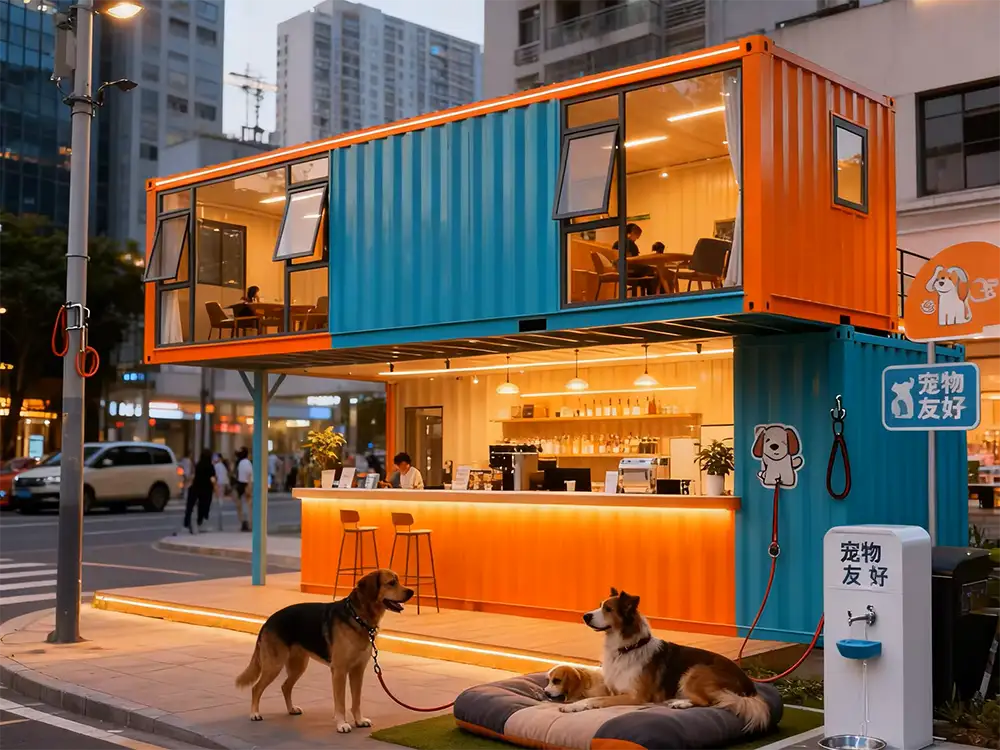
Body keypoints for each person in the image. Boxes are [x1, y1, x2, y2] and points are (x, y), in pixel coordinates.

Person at [612, 223, 657, 295]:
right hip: (629, 270)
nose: (636, 239)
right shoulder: (630, 243)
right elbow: (635, 260)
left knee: (647, 272)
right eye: (637, 237)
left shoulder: (616, 243)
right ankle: (652, 295)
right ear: (632, 233)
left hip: (619, 270)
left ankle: (642, 291)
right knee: (653, 271)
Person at [184, 449, 215, 534]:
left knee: (191, 506)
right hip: (206, 488)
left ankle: (187, 522)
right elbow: (212, 478)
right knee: (204, 506)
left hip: (196, 486)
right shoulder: (210, 466)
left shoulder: (198, 465)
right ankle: (200, 522)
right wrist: (215, 485)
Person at [234, 447, 253, 532]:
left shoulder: (239, 463)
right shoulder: (247, 462)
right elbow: (249, 475)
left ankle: (243, 522)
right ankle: (248, 523)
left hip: (240, 484)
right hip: (246, 484)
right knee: (248, 506)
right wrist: (250, 486)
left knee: (240, 506)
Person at [212, 453, 229, 530]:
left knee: (219, 500)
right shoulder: (222, 466)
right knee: (220, 499)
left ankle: (219, 523)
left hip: (219, 484)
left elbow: (215, 476)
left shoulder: (217, 466)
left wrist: (214, 485)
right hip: (222, 483)